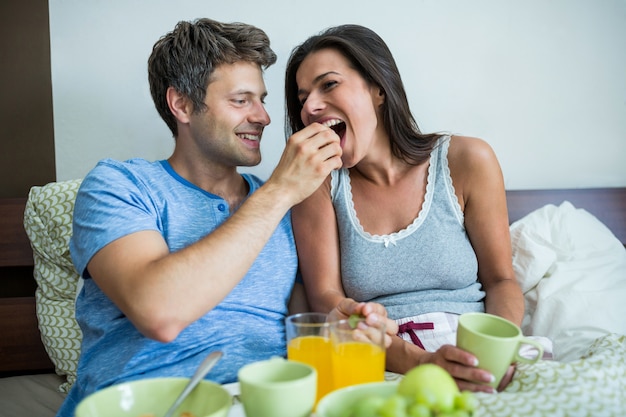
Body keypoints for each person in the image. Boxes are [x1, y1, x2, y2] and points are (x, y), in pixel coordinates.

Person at [56, 18, 396, 417]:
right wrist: (279, 191)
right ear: (181, 104)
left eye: (262, 100)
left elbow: (302, 323)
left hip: (263, 404)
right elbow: (158, 312)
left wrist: (341, 330)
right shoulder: (119, 186)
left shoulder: (286, 204)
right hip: (147, 405)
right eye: (241, 101)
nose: (264, 117)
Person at [285, 24, 525, 394]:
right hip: (379, 362)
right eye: (303, 98)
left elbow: (501, 281)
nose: (310, 108)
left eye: (328, 84)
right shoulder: (316, 186)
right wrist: (421, 363)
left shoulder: (467, 160)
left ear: (378, 89)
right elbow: (327, 300)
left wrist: (496, 350)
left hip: (474, 353)